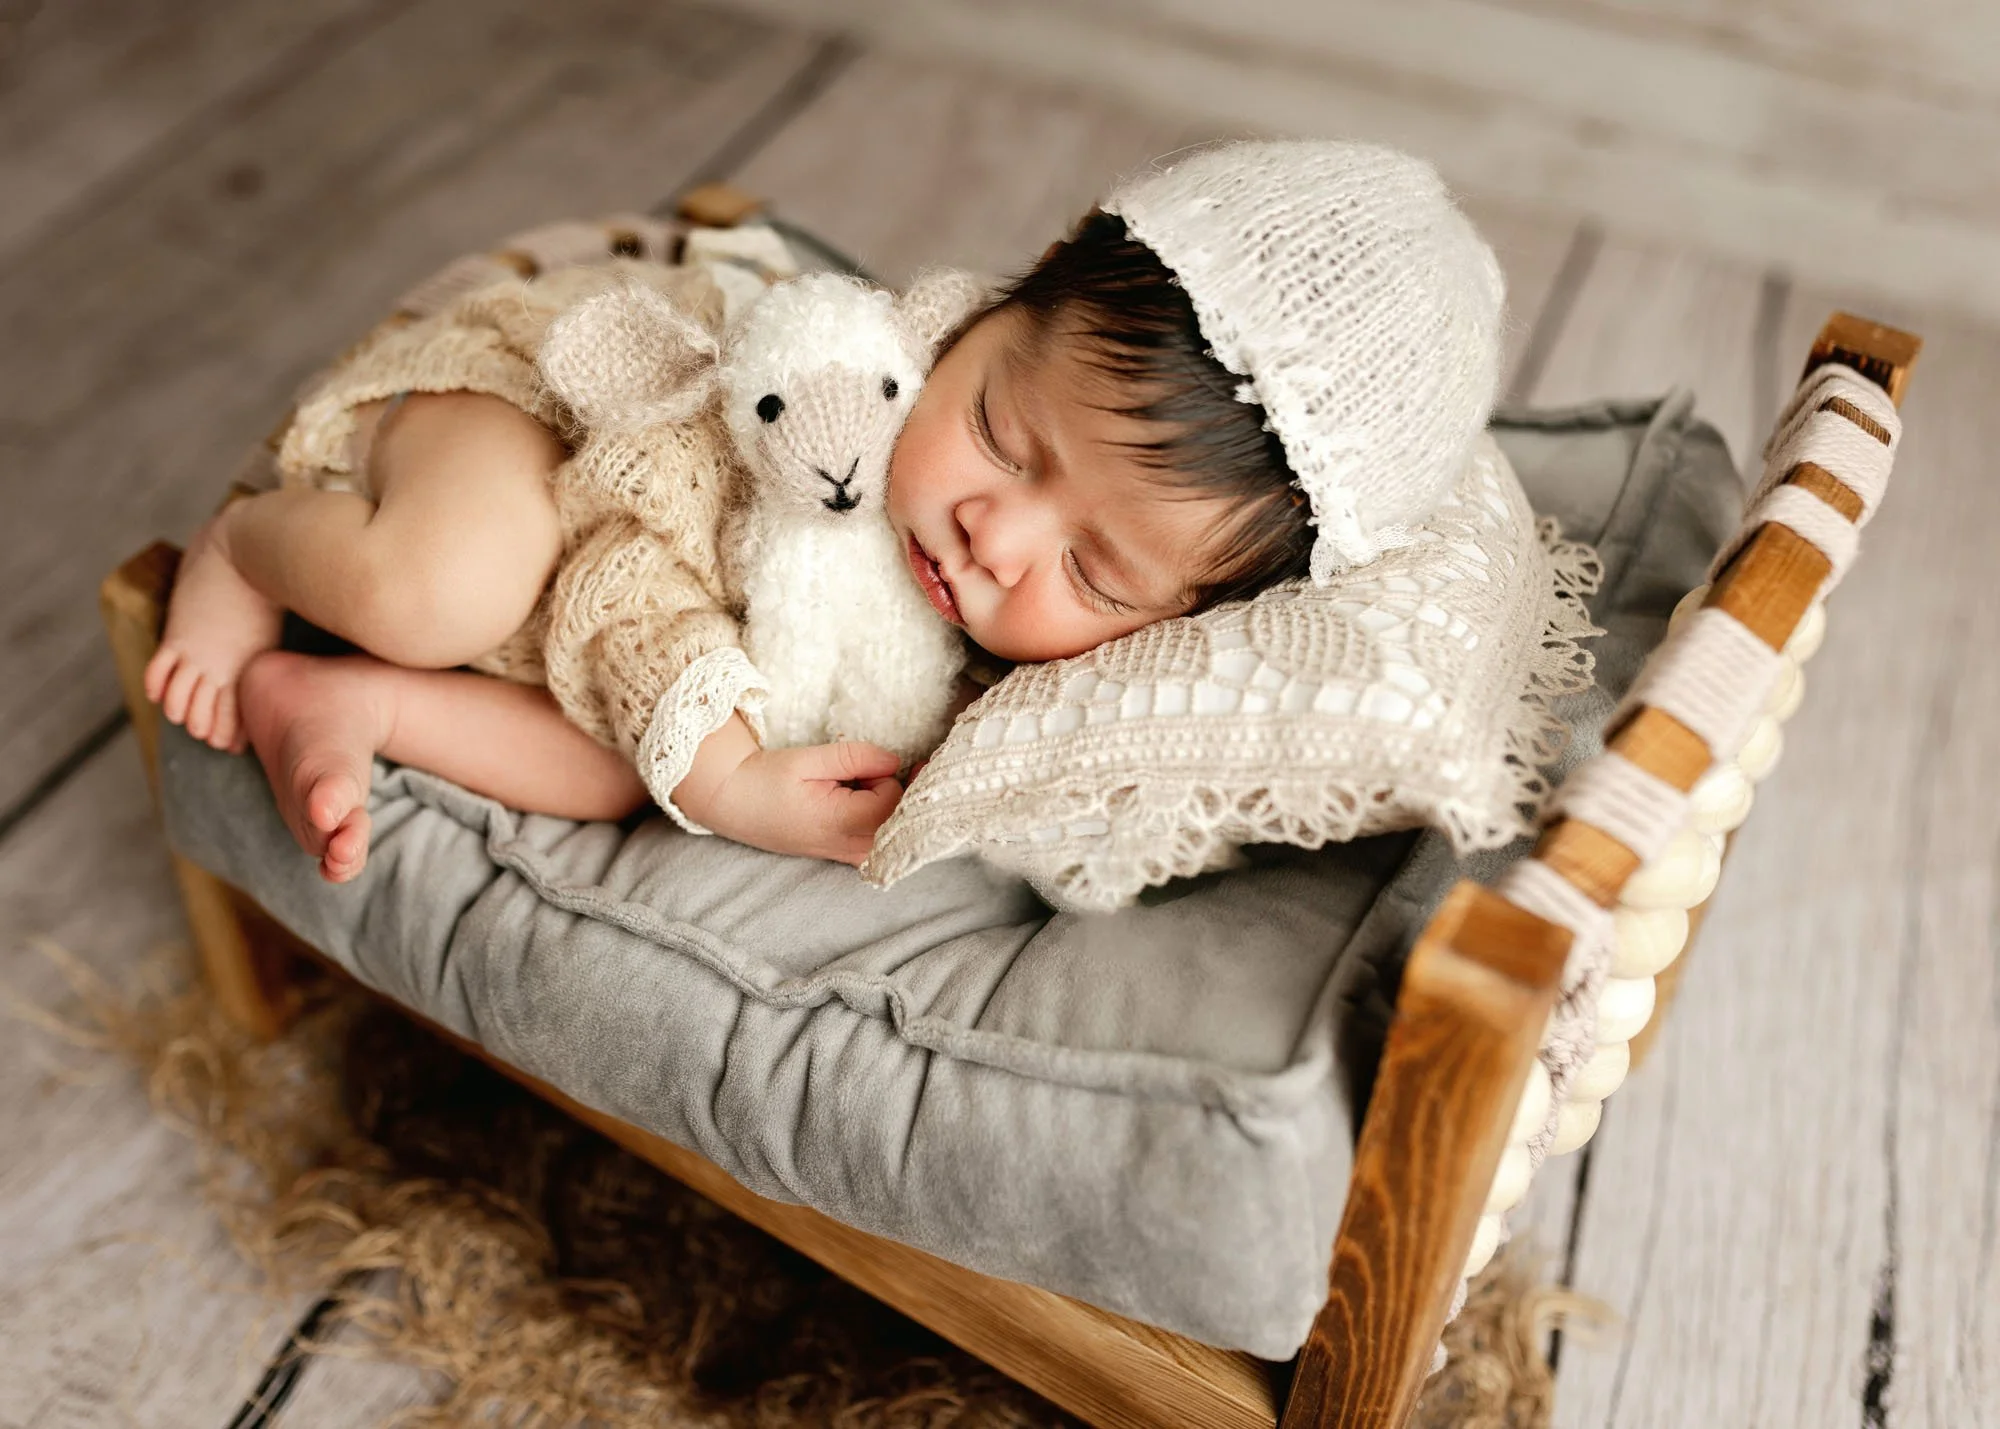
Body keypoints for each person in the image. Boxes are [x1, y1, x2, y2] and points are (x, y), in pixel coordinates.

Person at [144, 140, 1504, 882]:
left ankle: (356, 708)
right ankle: (250, 542)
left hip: (622, 611)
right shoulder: (842, 406)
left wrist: (714, 771)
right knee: (452, 587)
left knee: (632, 775)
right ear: (1005, 299)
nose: (995, 538)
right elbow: (625, 562)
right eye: (998, 434)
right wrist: (732, 779)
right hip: (550, 412)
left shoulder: (1021, 661)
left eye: (1097, 577)